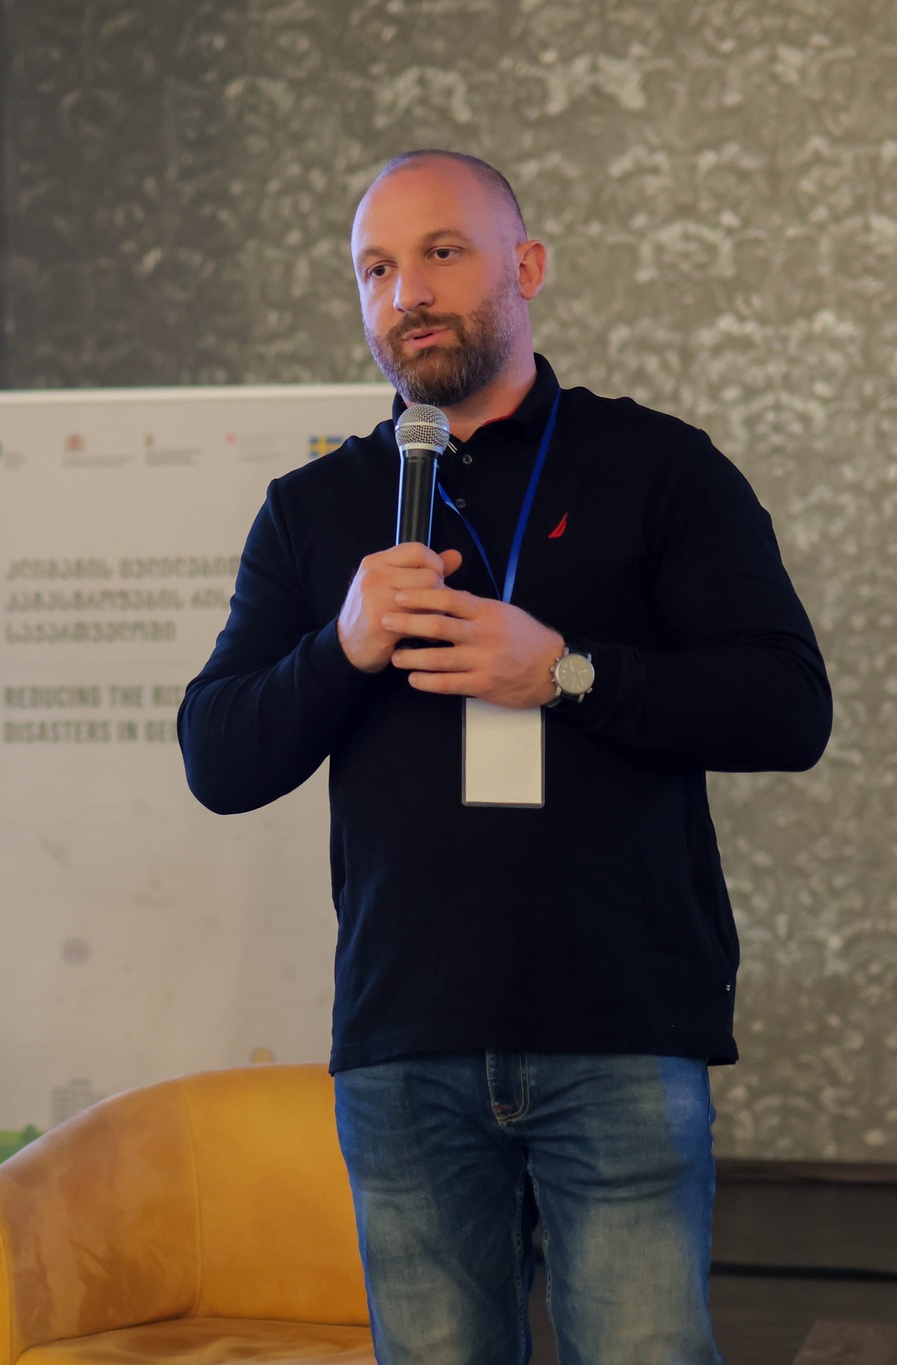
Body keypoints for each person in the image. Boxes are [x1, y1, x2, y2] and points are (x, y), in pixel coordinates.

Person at [177, 149, 832, 1364]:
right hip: (405, 1034)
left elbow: (787, 709)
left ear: (524, 268)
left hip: (619, 1020)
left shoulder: (657, 467)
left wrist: (567, 673)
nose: (406, 294)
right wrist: (341, 646)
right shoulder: (313, 509)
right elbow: (215, 757)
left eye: (440, 253)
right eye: (375, 269)